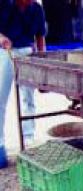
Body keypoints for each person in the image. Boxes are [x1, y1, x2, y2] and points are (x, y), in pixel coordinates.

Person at [0, 0, 46, 168]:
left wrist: (43, 61)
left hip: (27, 52)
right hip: (5, 51)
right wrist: (1, 37)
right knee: (0, 99)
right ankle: (0, 145)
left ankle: (28, 140)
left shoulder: (37, 8)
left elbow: (40, 36)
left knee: (28, 98)